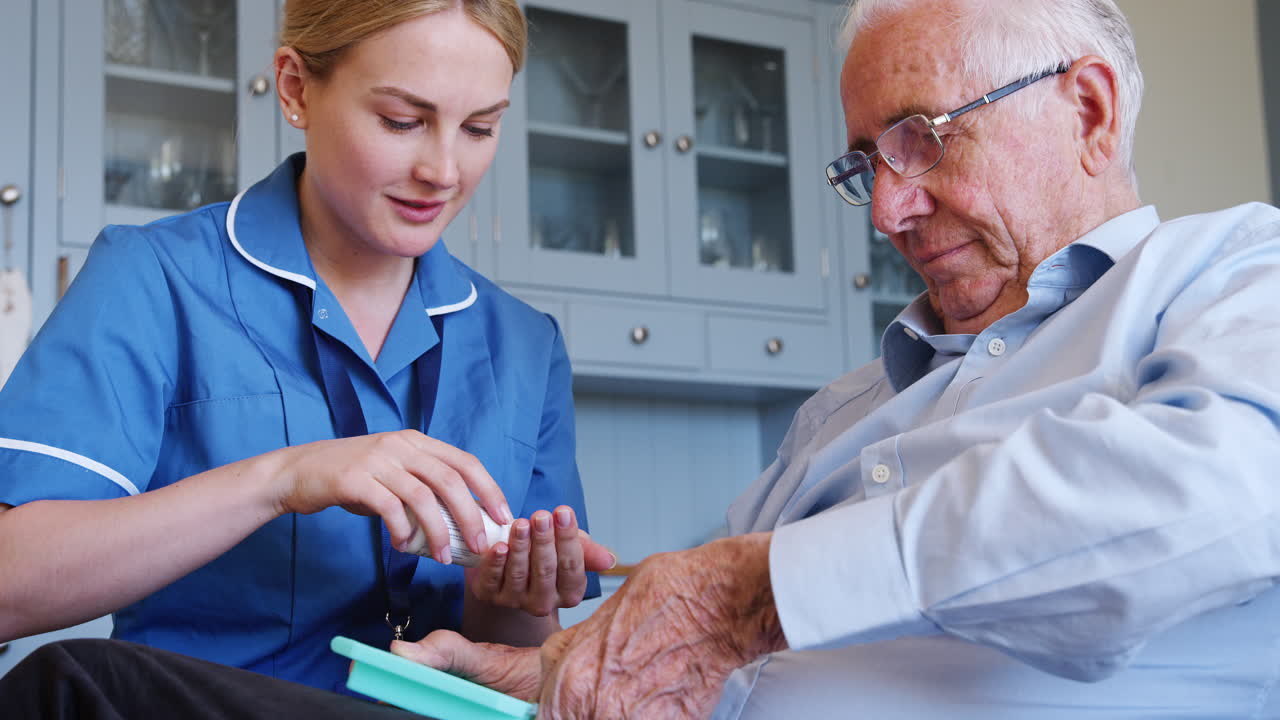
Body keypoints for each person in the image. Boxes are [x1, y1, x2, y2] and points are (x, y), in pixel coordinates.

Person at [4, 0, 1280, 717]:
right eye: (865, 163)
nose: (886, 211)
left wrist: (710, 597)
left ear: (1088, 109)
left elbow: (1219, 492)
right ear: (294, 89)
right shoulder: (844, 411)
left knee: (77, 697)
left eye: (921, 139)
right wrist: (548, 651)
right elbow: (670, 648)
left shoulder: (1231, 277)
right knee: (81, 689)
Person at [0, 0, 612, 698]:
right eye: (402, 121)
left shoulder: (527, 345)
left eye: (479, 128)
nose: (444, 170)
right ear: (295, 88)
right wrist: (283, 479)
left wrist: (510, 596)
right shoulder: (154, 277)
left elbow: (512, 662)